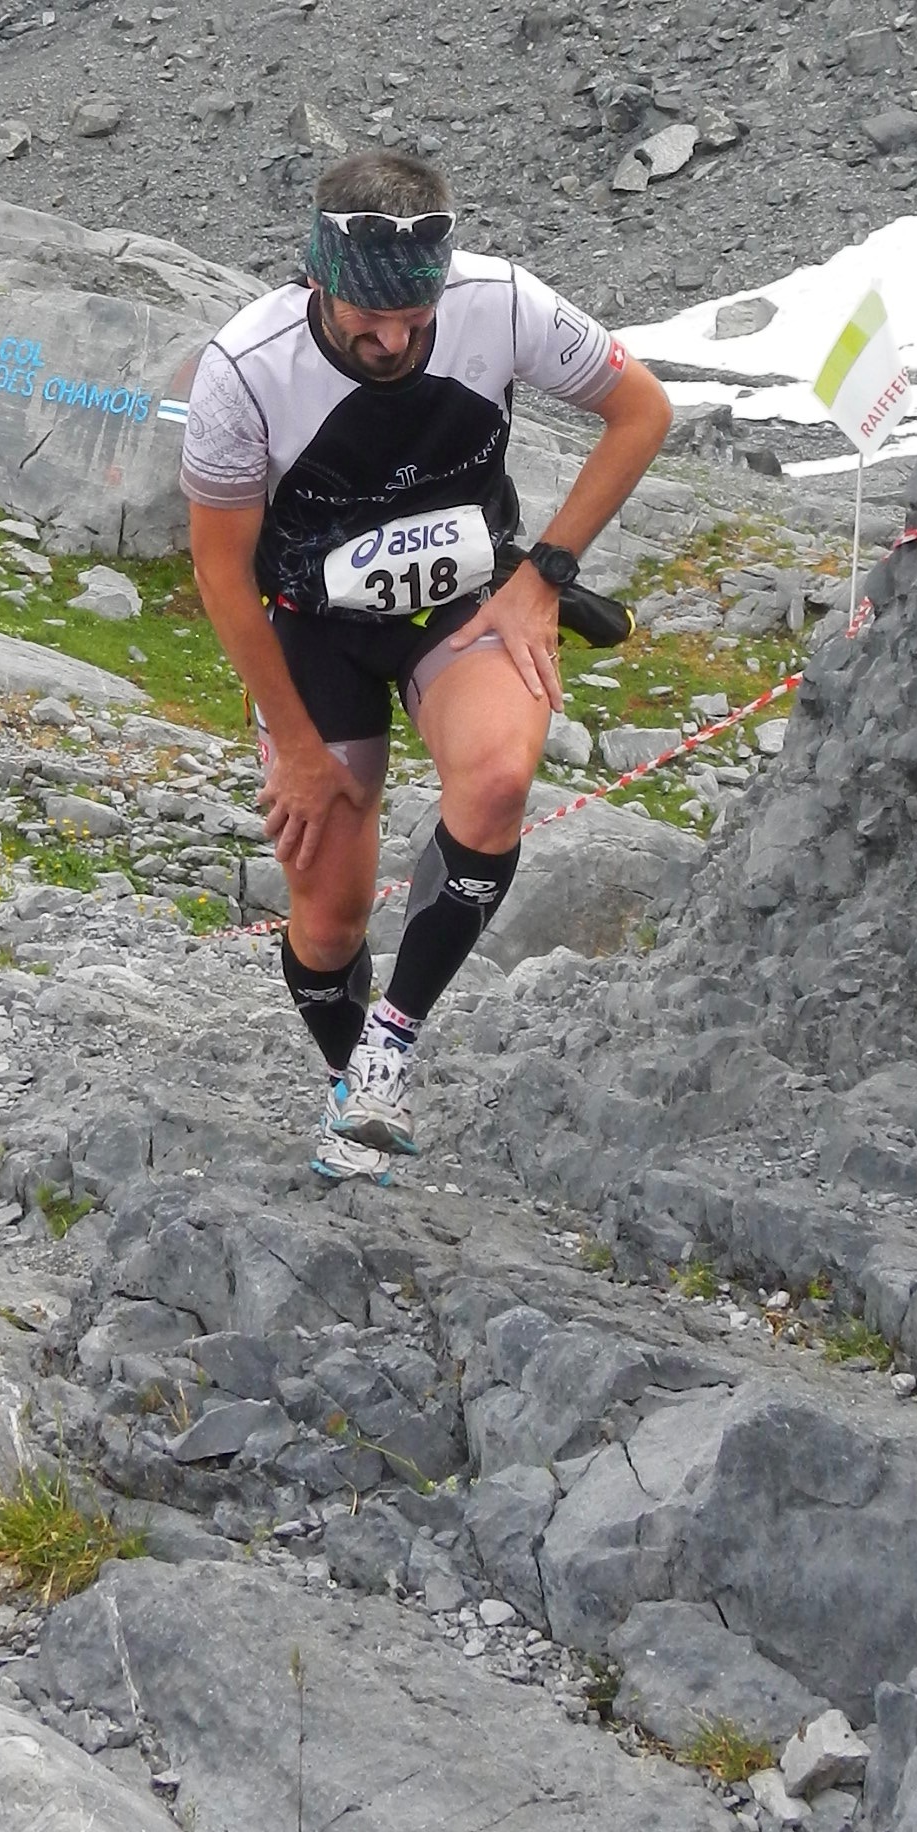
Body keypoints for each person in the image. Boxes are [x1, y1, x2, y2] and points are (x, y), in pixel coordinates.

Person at [184, 151, 672, 1180]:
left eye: (417, 315)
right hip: (312, 628)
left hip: (461, 602)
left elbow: (643, 411)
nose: (396, 340)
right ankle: (345, 1081)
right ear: (317, 276)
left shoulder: (504, 302)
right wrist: (298, 750)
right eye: (369, 317)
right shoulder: (244, 368)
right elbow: (222, 576)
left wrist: (545, 575)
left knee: (496, 781)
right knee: (329, 920)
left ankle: (387, 1053)